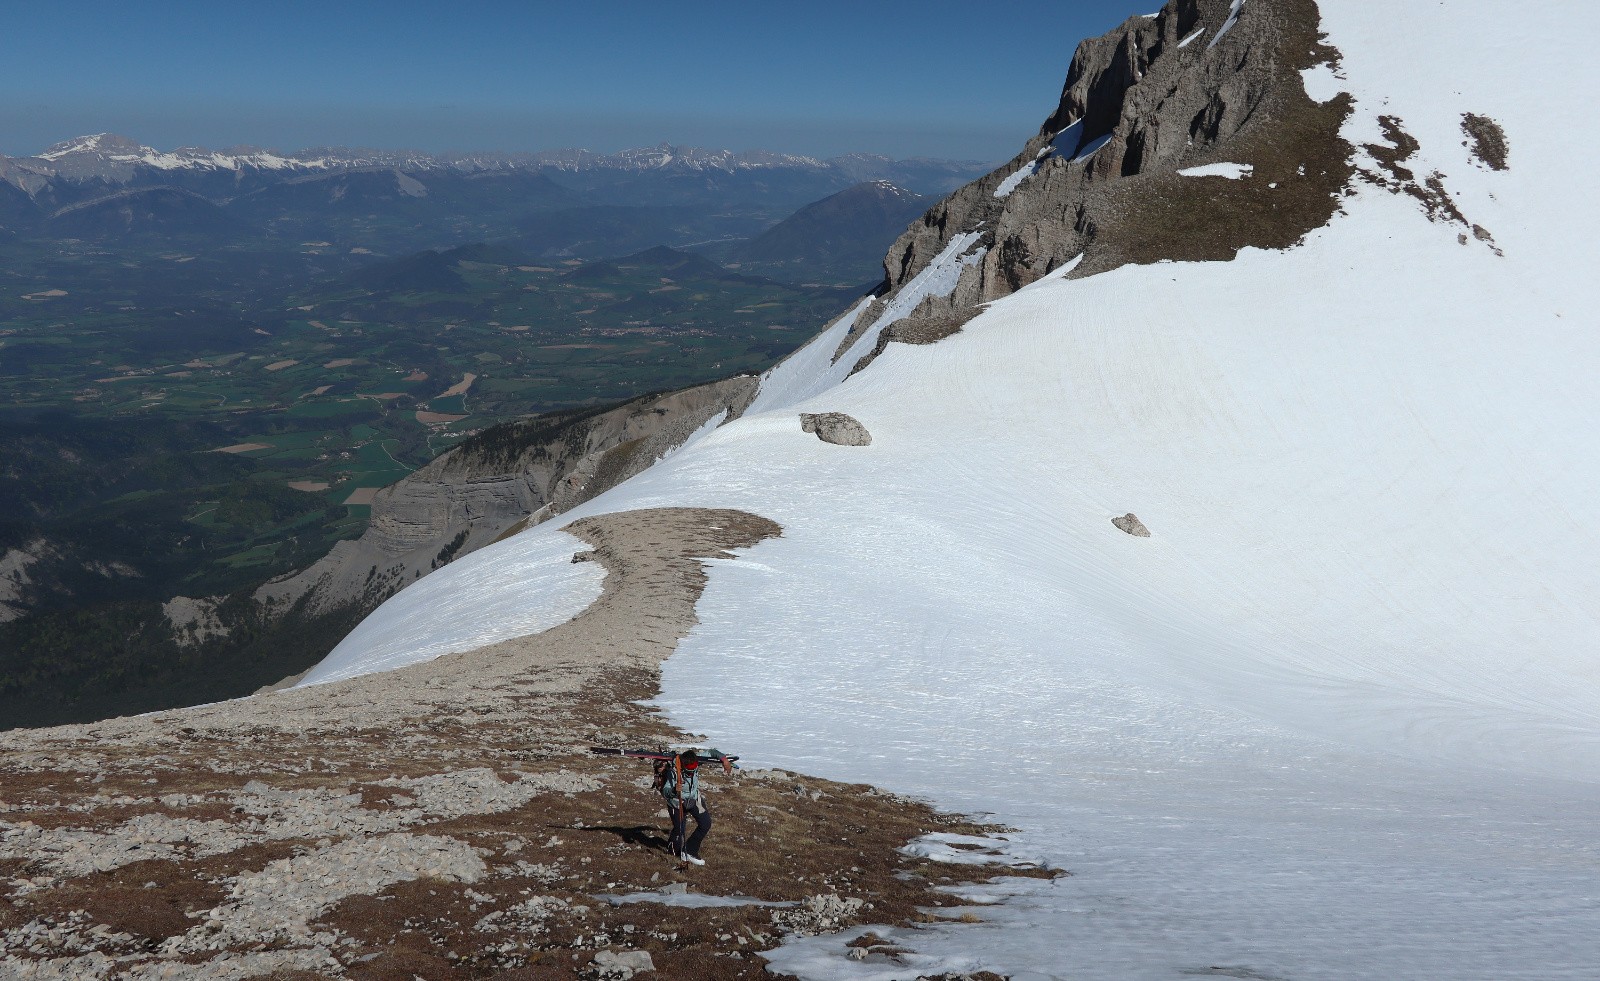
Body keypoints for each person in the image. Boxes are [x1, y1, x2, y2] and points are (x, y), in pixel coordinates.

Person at [654, 748, 726, 865]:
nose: (692, 774)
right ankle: (673, 850)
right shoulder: (674, 771)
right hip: (676, 803)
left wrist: (724, 760)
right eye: (689, 772)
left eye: (694, 771)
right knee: (679, 830)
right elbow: (666, 791)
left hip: (693, 799)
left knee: (705, 823)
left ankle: (690, 851)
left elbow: (712, 752)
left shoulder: (695, 760)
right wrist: (673, 790)